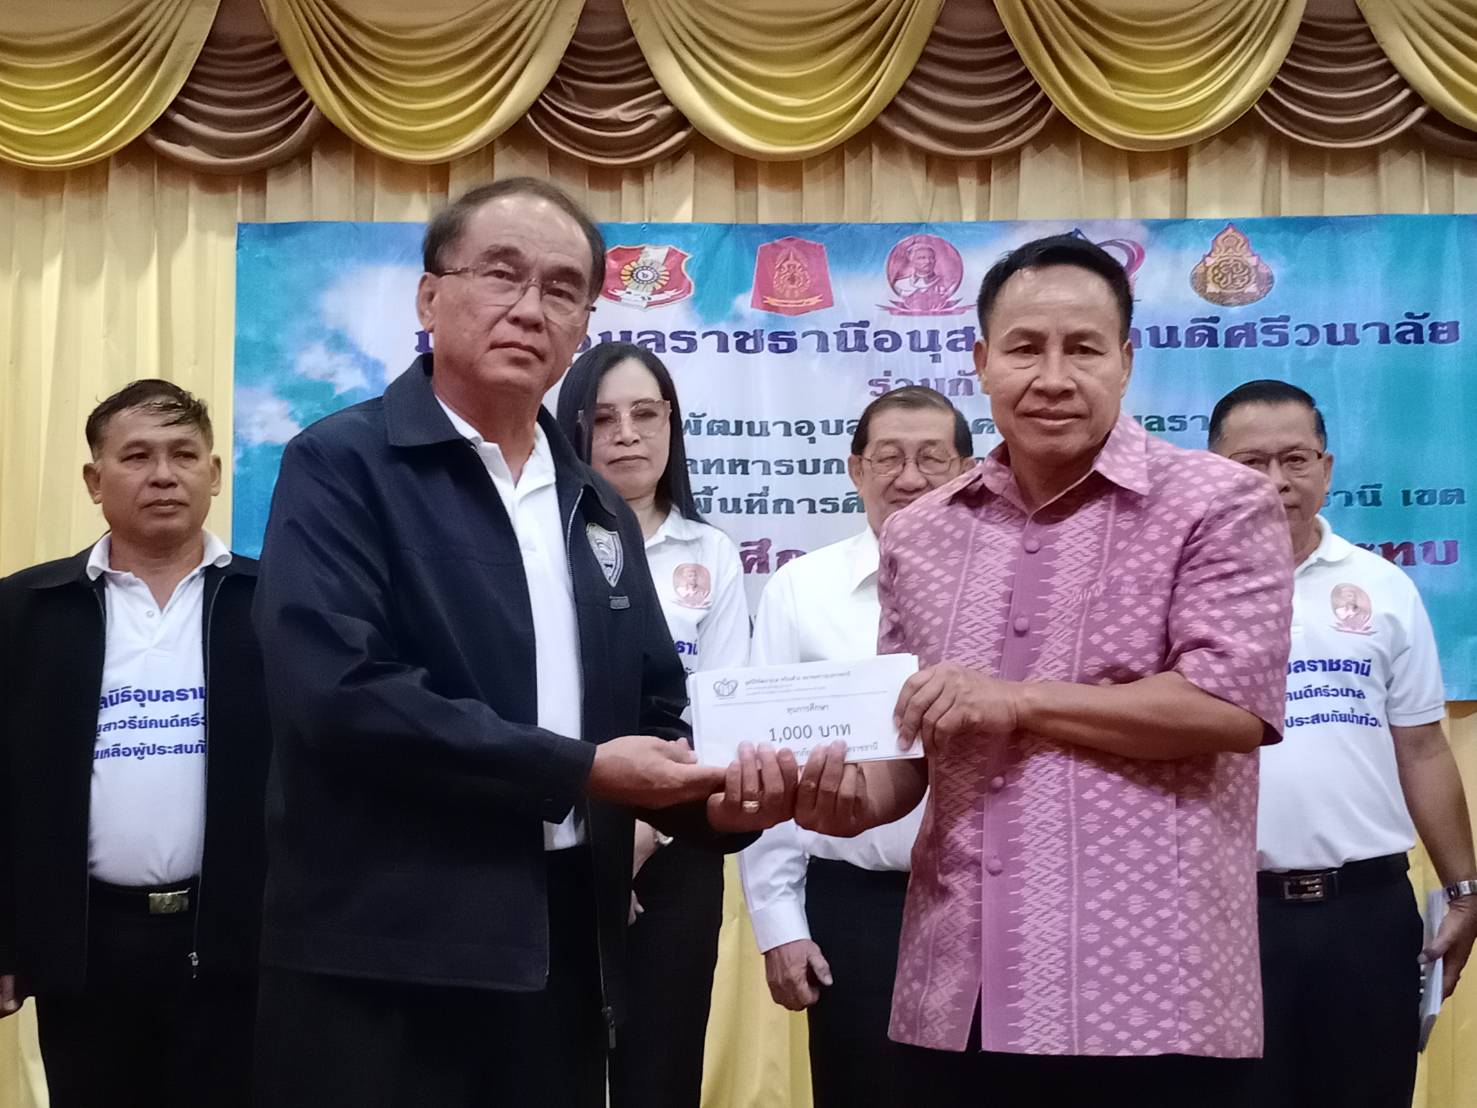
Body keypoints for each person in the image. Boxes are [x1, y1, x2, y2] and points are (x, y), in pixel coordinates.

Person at [250, 178, 795, 1108]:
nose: (529, 308)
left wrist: (733, 797)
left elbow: (656, 710)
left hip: (565, 949)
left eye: (561, 289)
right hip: (383, 960)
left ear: (582, 326)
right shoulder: (341, 463)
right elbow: (335, 695)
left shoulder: (595, 505)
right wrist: (581, 769)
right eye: (501, 274)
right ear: (429, 297)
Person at [794, 234, 1294, 1105]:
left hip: (1145, 991)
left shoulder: (1218, 502)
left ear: (1125, 362)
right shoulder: (919, 533)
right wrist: (830, 799)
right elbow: (905, 756)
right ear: (981, 362)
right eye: (1025, 348)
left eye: (1083, 349)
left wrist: (1017, 702)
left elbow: (1228, 705)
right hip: (958, 987)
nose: (1053, 378)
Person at [0, 380, 269, 1107]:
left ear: (215, 473)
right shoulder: (25, 611)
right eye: (138, 456)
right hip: (86, 947)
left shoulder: (271, 604)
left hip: (239, 943)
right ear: (95, 481)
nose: (163, 475)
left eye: (184, 455)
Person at [1209, 379, 1477, 1108]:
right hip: (1219, 916)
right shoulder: (1178, 589)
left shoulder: (1383, 588)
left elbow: (1422, 748)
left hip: (1365, 915)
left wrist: (1464, 890)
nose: (1275, 481)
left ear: (1325, 469)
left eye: (1294, 459)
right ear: (1210, 472)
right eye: (1249, 463)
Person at [739, 386, 972, 1107]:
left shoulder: (1010, 591)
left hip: (991, 904)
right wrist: (780, 925)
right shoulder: (800, 591)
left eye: (932, 458)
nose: (909, 478)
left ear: (969, 471)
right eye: (888, 458)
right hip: (859, 908)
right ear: (854, 470)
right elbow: (769, 763)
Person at [555, 341, 750, 1108]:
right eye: (604, 418)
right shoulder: (542, 545)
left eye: (645, 413)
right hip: (561, 836)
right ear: (572, 429)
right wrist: (604, 827)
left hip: (676, 845)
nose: (627, 434)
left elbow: (719, 711)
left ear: (671, 424)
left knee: (660, 1070)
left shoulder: (711, 553)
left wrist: (644, 831)